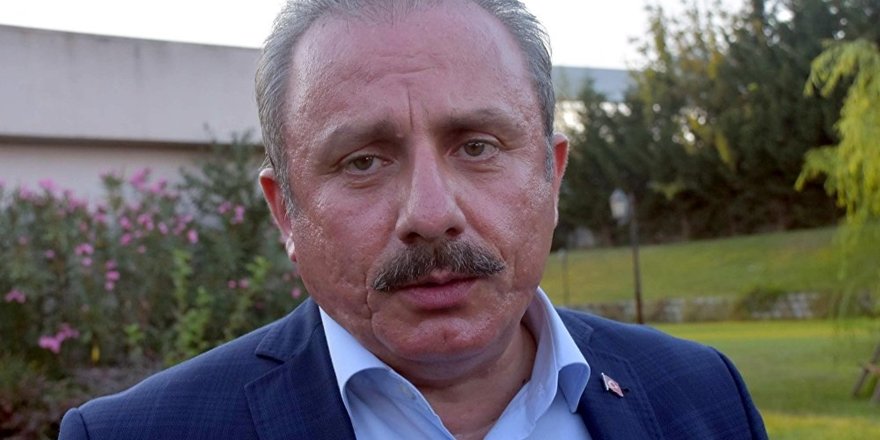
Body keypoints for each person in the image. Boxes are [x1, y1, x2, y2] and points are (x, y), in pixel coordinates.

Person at [59, 0, 768, 439]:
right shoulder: (135, 434)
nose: (430, 215)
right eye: (363, 161)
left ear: (551, 177)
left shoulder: (703, 396)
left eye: (478, 146)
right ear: (286, 211)